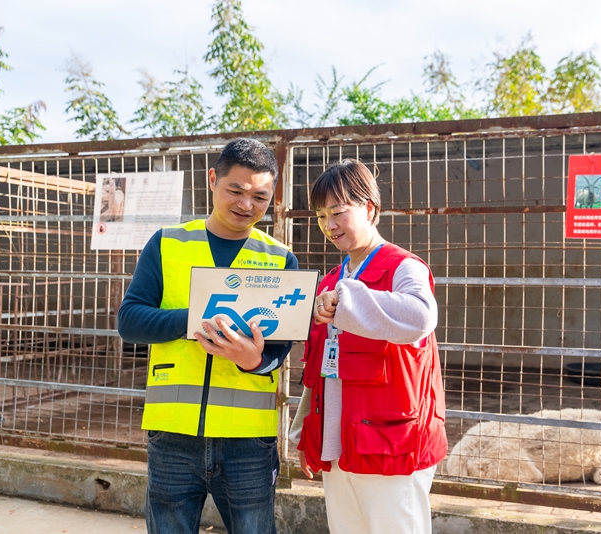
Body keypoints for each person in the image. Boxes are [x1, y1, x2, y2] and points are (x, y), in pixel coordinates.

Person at [118, 138, 298, 534]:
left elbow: (281, 349)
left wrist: (252, 359)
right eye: (236, 190)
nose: (246, 204)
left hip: (249, 441)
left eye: (261, 197)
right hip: (173, 435)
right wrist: (195, 321)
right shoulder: (167, 243)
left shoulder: (280, 259)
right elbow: (129, 320)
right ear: (213, 179)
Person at [290, 158, 447, 534]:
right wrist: (304, 434)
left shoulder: (403, 268)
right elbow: (321, 370)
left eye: (338, 212)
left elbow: (420, 317)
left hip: (392, 446)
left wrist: (347, 298)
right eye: (321, 215)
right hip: (339, 445)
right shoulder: (333, 277)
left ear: (370, 209)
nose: (329, 225)